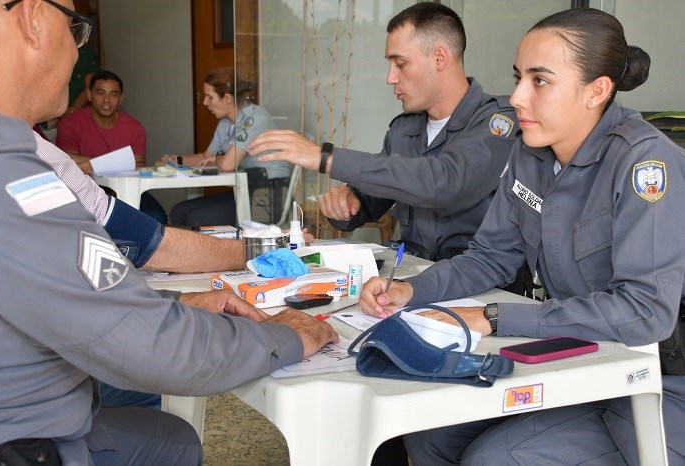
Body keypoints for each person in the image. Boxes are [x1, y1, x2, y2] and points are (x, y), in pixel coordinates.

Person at [0, 2, 337, 465]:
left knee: (174, 437)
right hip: (24, 442)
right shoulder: (8, 170)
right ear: (33, 19)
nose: (76, 53)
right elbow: (149, 336)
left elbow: (122, 247)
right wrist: (287, 334)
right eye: (75, 29)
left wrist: (178, 300)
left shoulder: (19, 151)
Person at [359, 8, 685, 465]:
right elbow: (489, 255)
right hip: (579, 357)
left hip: (653, 377)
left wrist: (494, 317)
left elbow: (644, 311)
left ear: (597, 91)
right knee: (430, 437)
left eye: (540, 80)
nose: (516, 97)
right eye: (518, 77)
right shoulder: (531, 152)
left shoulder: (645, 164)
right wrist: (411, 290)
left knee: (496, 458)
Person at [249, 2, 517, 262]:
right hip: (411, 277)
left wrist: (327, 158)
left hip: (481, 293)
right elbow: (377, 194)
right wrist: (348, 201)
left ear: (439, 58)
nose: (390, 77)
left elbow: (444, 182)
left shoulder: (498, 122)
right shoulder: (404, 129)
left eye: (400, 63)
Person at [164, 67, 290, 226]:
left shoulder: (254, 118)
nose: (204, 103)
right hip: (244, 190)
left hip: (267, 195)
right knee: (179, 212)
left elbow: (228, 164)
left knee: (195, 219)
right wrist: (177, 160)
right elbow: (206, 156)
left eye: (210, 97)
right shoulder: (225, 123)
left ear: (227, 98)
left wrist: (217, 158)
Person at [57, 69, 168, 223]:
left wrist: (93, 163)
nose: (106, 100)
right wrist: (115, 161)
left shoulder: (134, 127)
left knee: (156, 217)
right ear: (89, 95)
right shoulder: (70, 123)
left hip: (128, 189)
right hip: (85, 189)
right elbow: (67, 162)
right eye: (100, 93)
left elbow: (138, 165)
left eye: (113, 94)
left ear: (121, 98)